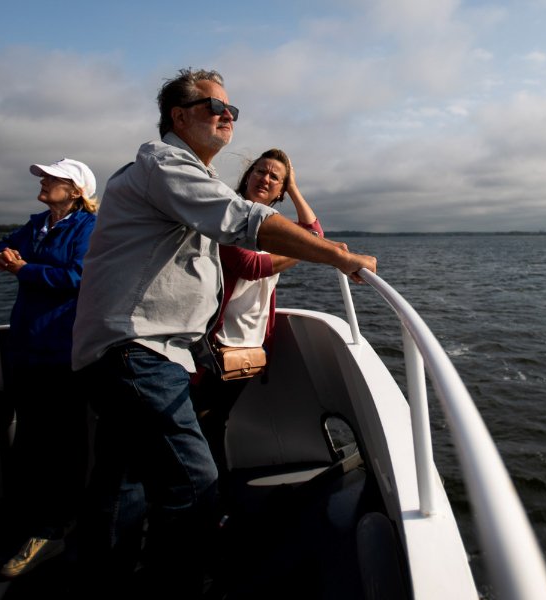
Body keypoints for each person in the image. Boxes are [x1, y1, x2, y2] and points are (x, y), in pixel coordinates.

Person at [71, 68, 376, 597]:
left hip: (131, 350)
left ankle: (103, 582)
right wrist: (337, 257)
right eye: (216, 107)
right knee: (195, 485)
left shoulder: (183, 177)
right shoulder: (165, 163)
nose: (227, 117)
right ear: (180, 116)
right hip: (137, 350)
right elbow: (243, 222)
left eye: (233, 111)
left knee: (124, 486)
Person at [191, 148, 324, 479]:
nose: (265, 178)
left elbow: (316, 234)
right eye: (260, 171)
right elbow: (249, 266)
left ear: (280, 190)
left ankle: (211, 502)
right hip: (215, 345)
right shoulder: (227, 216)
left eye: (275, 177)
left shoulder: (275, 227)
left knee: (214, 423)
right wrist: (303, 250)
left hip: (251, 349)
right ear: (247, 176)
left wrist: (294, 188)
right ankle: (198, 503)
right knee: (198, 425)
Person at [0, 158, 98, 578]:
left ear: (75, 190)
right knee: (30, 439)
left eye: (54, 178)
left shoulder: (87, 228)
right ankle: (22, 524)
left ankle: (57, 528)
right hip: (26, 345)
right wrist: (5, 254)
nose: (44, 182)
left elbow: (78, 276)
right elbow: (5, 249)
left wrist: (24, 268)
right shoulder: (38, 223)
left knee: (62, 441)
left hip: (62, 348)